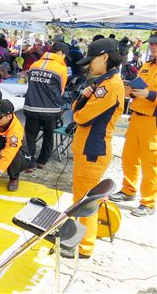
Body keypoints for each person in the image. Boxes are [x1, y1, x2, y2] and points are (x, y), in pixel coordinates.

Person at [62, 38, 124, 259]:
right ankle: (84, 240)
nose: (89, 66)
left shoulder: (110, 86)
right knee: (85, 197)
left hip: (93, 150)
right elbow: (77, 109)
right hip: (89, 148)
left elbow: (81, 117)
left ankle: (83, 246)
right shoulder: (104, 82)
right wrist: (81, 100)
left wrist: (80, 105)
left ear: (105, 57)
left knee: (85, 201)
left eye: (92, 60)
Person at [110, 30, 157, 217]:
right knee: (129, 157)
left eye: (155, 44)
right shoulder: (147, 64)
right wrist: (129, 90)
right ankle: (128, 190)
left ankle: (149, 201)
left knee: (150, 162)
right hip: (137, 117)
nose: (152, 46)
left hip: (153, 122)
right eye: (151, 43)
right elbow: (140, 85)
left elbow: (149, 92)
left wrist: (150, 95)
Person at [24, 42, 69, 171]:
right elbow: (61, 90)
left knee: (30, 136)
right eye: (65, 55)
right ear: (60, 53)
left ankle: (30, 162)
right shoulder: (61, 68)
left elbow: (30, 85)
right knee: (48, 135)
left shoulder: (34, 65)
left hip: (31, 107)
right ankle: (42, 161)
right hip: (51, 109)